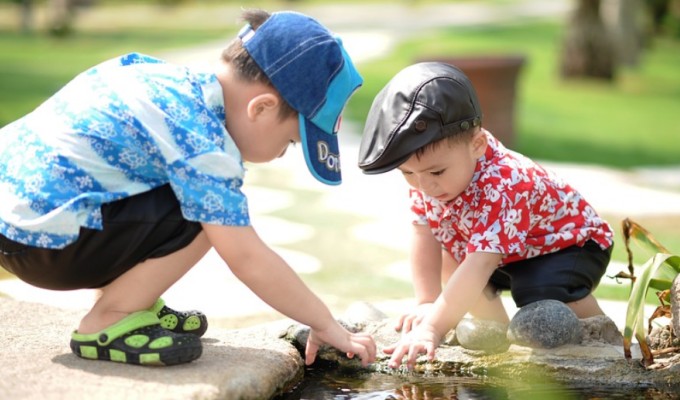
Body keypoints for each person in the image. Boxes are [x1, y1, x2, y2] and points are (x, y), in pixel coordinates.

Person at [0, 9, 376, 367]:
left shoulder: (159, 78)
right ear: (261, 108)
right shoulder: (204, 143)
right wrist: (325, 324)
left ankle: (132, 299)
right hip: (44, 244)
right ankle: (111, 317)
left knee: (188, 195)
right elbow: (246, 258)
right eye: (291, 141)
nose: (282, 154)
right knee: (211, 216)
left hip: (16, 222)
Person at [357, 62, 614, 369]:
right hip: (508, 252)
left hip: (568, 246)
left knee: (538, 292)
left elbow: (481, 262)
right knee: (452, 257)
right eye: (408, 173)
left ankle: (602, 338)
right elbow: (423, 233)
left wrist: (432, 328)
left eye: (436, 171)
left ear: (477, 145)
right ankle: (498, 339)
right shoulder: (428, 179)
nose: (424, 185)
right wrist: (427, 301)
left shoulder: (505, 182)